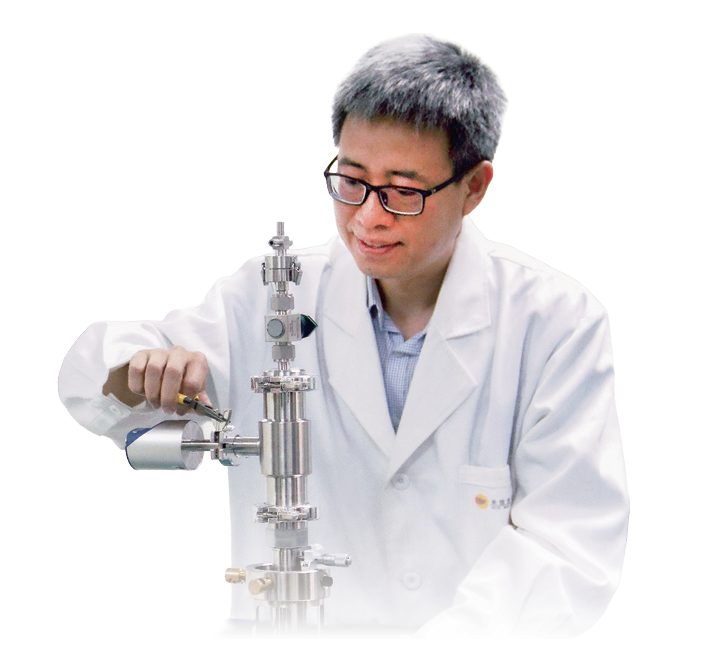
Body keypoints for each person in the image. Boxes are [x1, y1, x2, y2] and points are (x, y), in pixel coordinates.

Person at [59, 34, 629, 636]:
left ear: (474, 187)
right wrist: (137, 374)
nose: (368, 217)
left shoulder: (554, 323)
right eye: (352, 180)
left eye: (403, 192)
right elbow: (90, 385)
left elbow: (568, 544)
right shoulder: (271, 296)